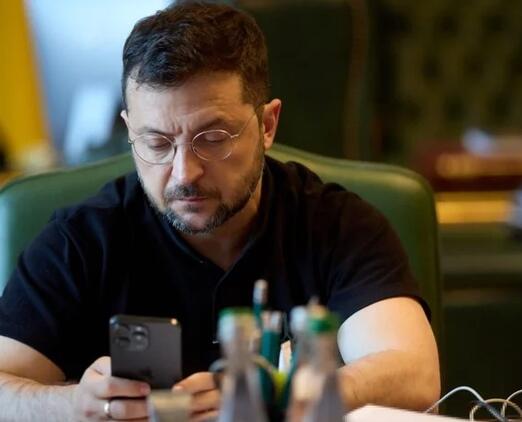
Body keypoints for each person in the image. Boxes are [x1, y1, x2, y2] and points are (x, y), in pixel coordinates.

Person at [0, 2, 440, 421]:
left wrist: (272, 395)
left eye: (212, 139)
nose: (184, 174)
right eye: (156, 143)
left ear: (267, 125)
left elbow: (415, 373)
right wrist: (74, 405)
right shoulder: (82, 240)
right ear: (130, 130)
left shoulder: (339, 225)